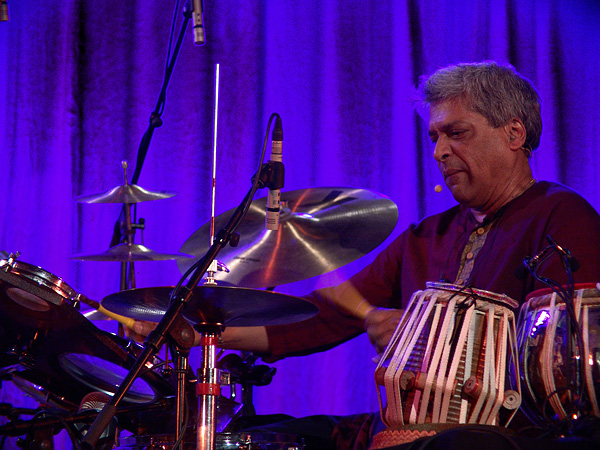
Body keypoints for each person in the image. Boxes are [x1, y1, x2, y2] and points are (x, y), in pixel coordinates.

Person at [134, 61, 600, 449]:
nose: (439, 151)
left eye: (456, 133)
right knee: (256, 439)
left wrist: (429, 337)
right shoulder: (427, 236)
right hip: (397, 431)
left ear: (514, 133)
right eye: (434, 136)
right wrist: (199, 334)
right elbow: (324, 316)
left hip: (503, 435)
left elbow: (566, 356)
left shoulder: (560, 216)